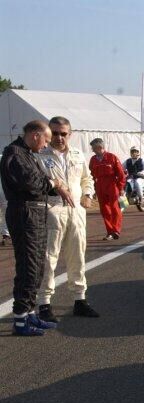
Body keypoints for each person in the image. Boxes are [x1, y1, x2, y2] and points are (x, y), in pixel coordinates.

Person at [0, 120, 72, 336]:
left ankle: (30, 312)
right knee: (29, 266)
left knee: (37, 265)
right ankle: (21, 318)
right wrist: (53, 183)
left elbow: (41, 180)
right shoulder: (15, 154)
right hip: (25, 213)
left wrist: (52, 183)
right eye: (46, 140)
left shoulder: (28, 154)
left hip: (36, 212)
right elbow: (32, 183)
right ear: (35, 135)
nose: (45, 146)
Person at [37, 116, 99, 323]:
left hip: (76, 212)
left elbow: (86, 178)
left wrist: (88, 194)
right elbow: (35, 180)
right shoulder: (40, 155)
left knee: (78, 254)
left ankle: (80, 299)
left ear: (70, 134)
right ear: (48, 133)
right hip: (52, 209)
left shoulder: (77, 154)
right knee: (48, 257)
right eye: (55, 133)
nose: (59, 137)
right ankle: (44, 303)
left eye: (63, 133)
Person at [88, 138, 126, 240]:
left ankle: (116, 230)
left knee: (114, 208)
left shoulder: (112, 157)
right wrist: (94, 190)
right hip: (99, 185)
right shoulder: (93, 160)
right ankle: (110, 232)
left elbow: (121, 174)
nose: (92, 150)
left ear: (99, 147)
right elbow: (91, 175)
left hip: (112, 184)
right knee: (104, 210)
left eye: (93, 148)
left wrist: (121, 187)